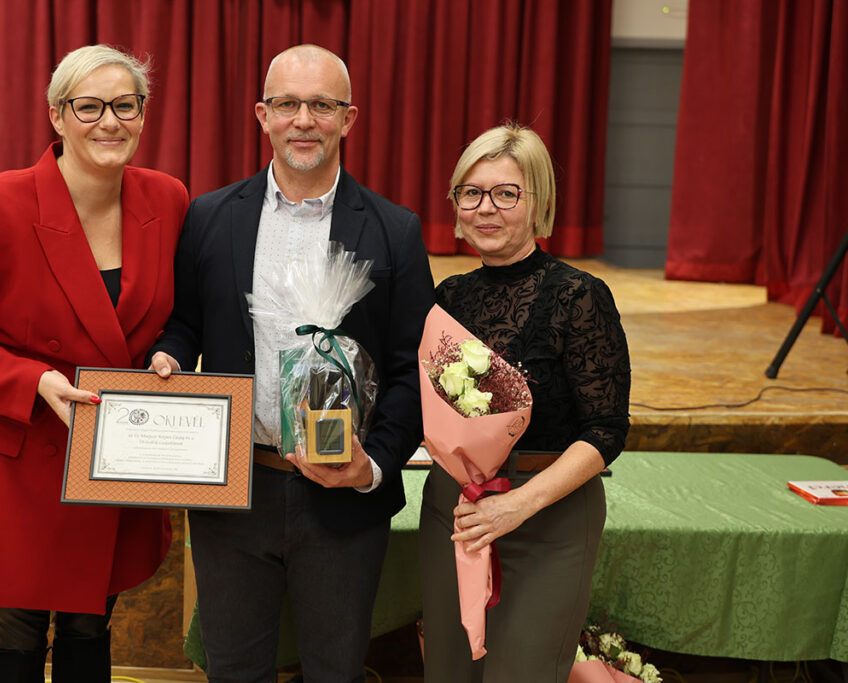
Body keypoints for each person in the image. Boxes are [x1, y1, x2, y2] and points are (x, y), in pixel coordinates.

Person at [147, 44, 434, 682]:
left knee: (334, 672)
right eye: (287, 104)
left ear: (348, 119)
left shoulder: (395, 230)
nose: (304, 120)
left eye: (322, 106)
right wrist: (169, 353)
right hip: (235, 488)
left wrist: (372, 467)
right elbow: (186, 323)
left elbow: (413, 370)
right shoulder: (210, 217)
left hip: (344, 502)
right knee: (234, 672)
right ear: (263, 115)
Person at [0, 44, 188, 683]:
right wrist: (33, 379)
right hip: (21, 455)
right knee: (19, 627)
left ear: (144, 115)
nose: (109, 122)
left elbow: (182, 312)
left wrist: (172, 349)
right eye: (88, 107)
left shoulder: (168, 199)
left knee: (92, 621)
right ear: (57, 116)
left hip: (114, 454)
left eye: (125, 105)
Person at [418, 124, 631, 682]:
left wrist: (516, 506)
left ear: (538, 203)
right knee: (447, 673)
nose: (485, 208)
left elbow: (606, 432)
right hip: (455, 514)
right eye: (471, 192)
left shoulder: (579, 295)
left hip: (547, 520)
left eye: (506, 193)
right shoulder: (448, 298)